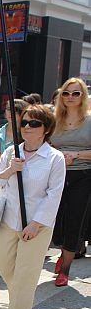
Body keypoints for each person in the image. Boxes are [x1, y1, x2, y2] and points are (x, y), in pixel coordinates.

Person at [0, 105, 65, 309]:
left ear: (46, 129)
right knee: (3, 265)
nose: (28, 127)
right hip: (9, 221)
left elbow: (54, 194)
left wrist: (35, 224)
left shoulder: (54, 158)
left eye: (34, 124)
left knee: (26, 273)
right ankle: (21, 299)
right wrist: (10, 170)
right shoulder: (11, 153)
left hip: (37, 226)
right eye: (24, 123)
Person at [49, 78, 91, 287]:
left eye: (76, 93)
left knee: (74, 222)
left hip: (82, 177)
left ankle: (65, 269)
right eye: (66, 93)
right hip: (55, 176)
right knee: (54, 222)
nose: (70, 97)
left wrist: (76, 154)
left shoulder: (90, 121)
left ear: (83, 96)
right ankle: (62, 252)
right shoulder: (53, 119)